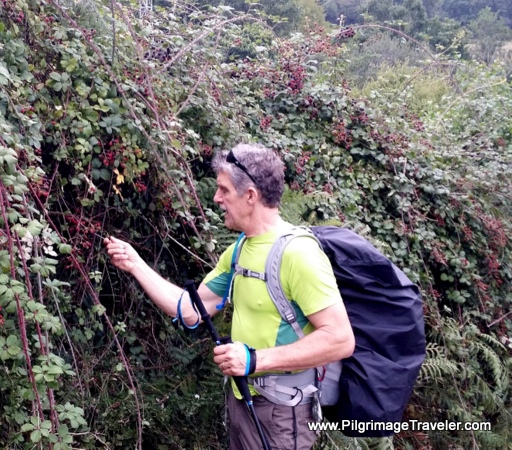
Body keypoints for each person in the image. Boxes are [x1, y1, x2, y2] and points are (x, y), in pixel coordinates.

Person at [104, 143, 354, 450]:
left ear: (250, 195)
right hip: (243, 401)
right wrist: (135, 265)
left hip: (283, 413)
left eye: (224, 190)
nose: (216, 198)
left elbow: (340, 338)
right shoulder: (239, 250)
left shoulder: (298, 254)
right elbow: (192, 309)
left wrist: (254, 360)